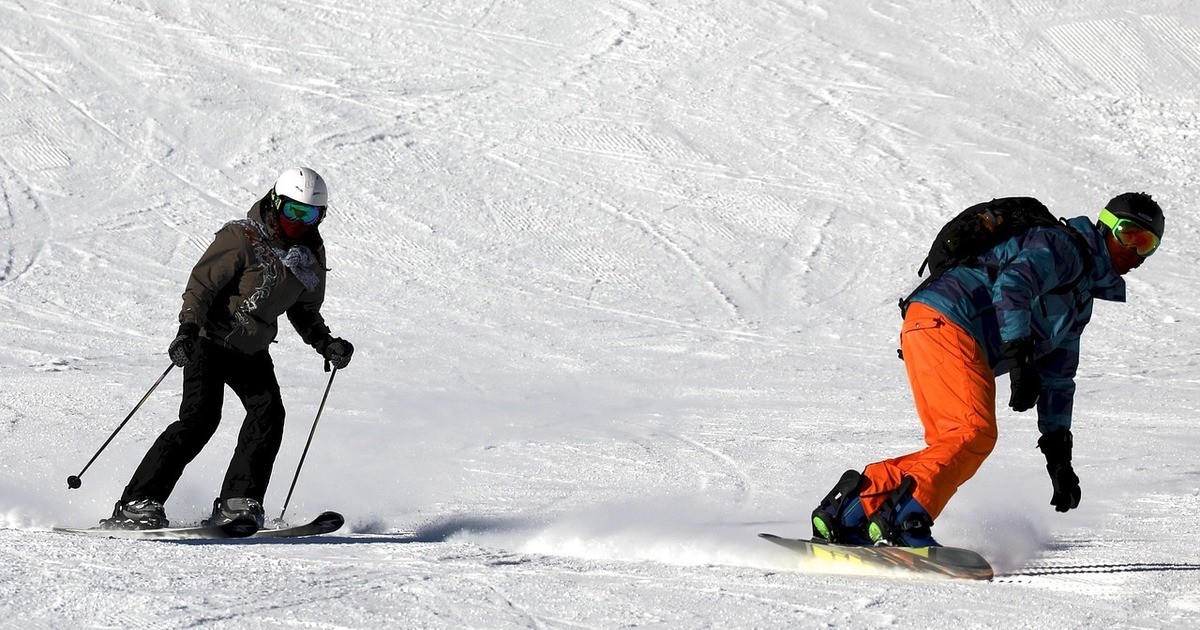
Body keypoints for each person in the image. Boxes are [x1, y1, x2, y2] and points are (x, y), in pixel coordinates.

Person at [810, 192, 1165, 547]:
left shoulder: (1079, 299)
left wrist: (1059, 459)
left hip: (930, 325)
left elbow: (1059, 377)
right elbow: (1014, 285)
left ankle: (851, 511)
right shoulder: (1063, 248)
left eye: (1147, 244)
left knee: (954, 444)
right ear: (1104, 227)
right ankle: (904, 521)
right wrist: (1019, 355)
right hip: (949, 320)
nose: (1135, 252)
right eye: (1128, 235)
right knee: (973, 434)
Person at [101, 167, 355, 530]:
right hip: (209, 340)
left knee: (269, 415)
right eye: (293, 210)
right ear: (275, 202)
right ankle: (137, 502)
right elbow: (202, 286)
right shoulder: (242, 237)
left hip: (251, 349)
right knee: (200, 419)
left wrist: (326, 343)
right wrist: (187, 330)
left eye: (310, 215)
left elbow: (304, 310)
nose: (299, 222)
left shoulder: (309, 254)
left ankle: (238, 502)